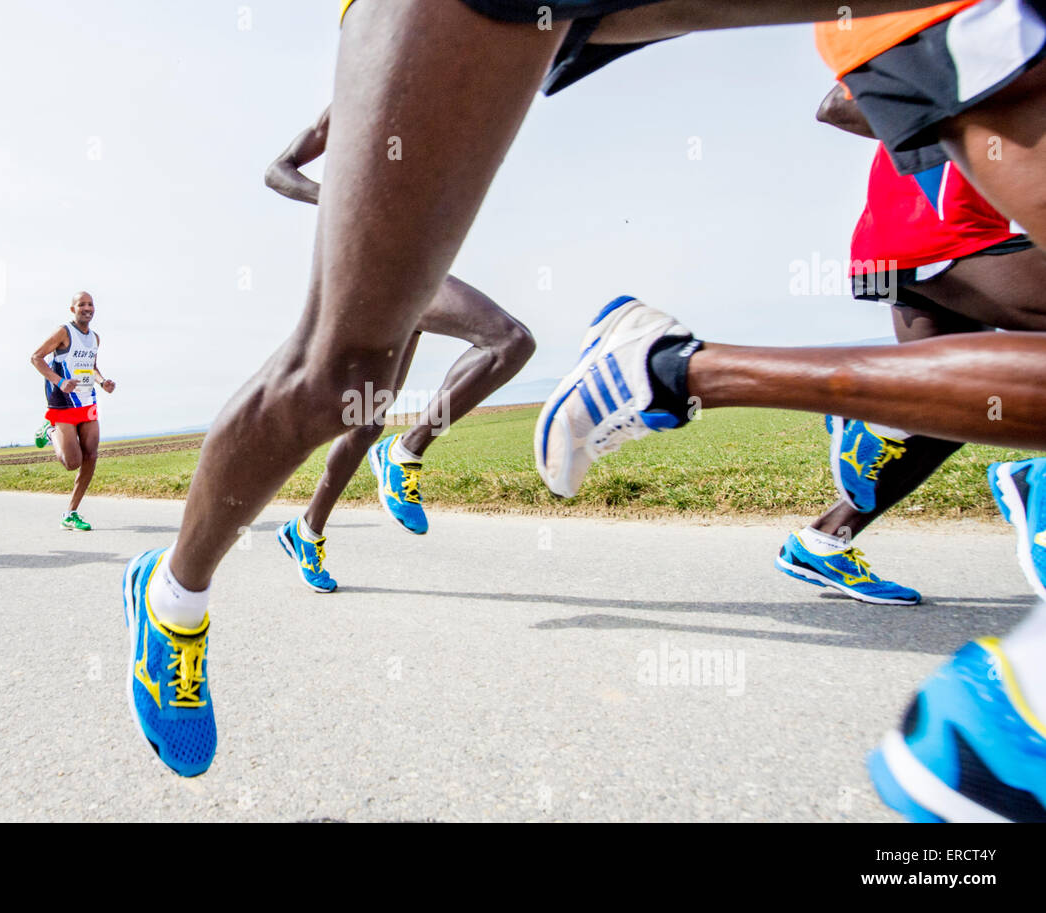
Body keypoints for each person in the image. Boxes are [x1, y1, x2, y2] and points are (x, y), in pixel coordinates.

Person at [122, 0, 1046, 782]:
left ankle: (441, 448)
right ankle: (173, 596)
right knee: (345, 372)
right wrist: (351, 206)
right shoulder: (358, 94)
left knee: (494, 342)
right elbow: (280, 170)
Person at [777, 85, 1046, 606]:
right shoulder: (985, 23)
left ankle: (825, 540)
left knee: (958, 408)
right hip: (944, 232)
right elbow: (837, 105)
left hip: (915, 240)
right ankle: (882, 415)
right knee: (963, 399)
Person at [265, 105, 535, 592]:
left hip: (410, 265)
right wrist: (339, 203)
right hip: (376, 270)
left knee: (366, 421)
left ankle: (306, 531)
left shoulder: (438, 99)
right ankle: (406, 453)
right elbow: (277, 172)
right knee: (508, 341)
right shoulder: (353, 100)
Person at [30, 291, 116, 531]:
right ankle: (50, 431)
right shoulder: (64, 332)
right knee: (72, 463)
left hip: (87, 400)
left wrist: (102, 381)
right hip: (64, 401)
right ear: (73, 309)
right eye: (82, 304)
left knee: (92, 455)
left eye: (90, 304)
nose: (87, 308)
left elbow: (92, 366)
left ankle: (71, 513)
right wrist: (59, 381)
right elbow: (36, 357)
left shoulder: (95, 338)